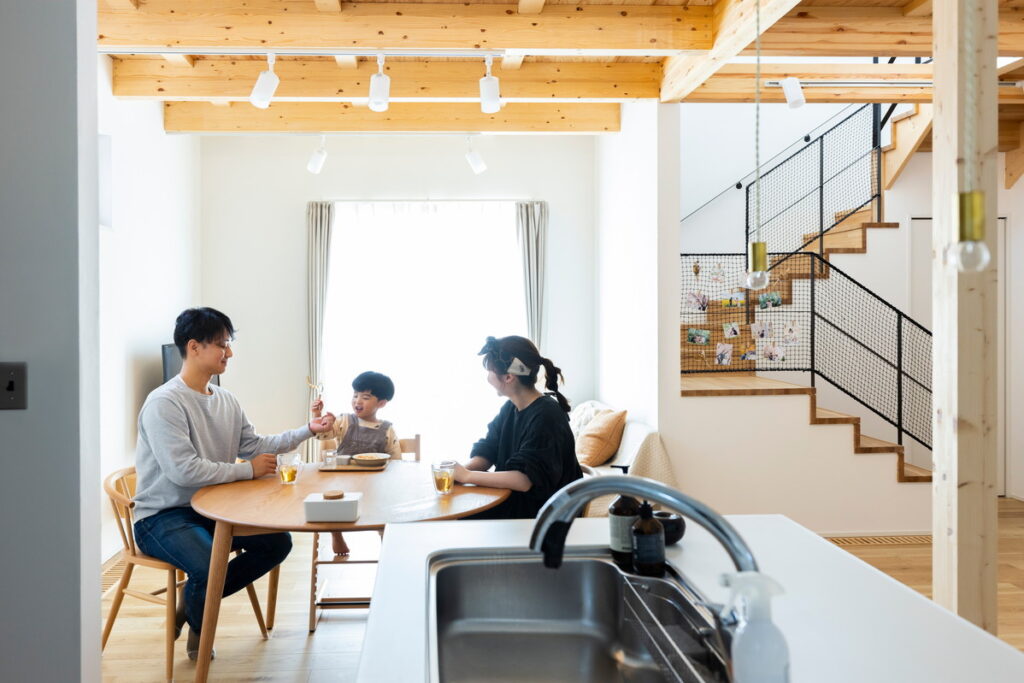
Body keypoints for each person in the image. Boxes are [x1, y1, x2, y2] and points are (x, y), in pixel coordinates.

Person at [132, 307, 335, 660]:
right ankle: (200, 627)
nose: (230, 352)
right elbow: (184, 472)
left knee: (277, 543)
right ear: (194, 347)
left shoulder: (226, 400)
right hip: (163, 516)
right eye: (222, 344)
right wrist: (247, 471)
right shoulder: (164, 403)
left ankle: (191, 601)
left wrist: (308, 430)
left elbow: (255, 446)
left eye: (229, 343)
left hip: (212, 509)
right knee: (207, 565)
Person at [453, 335, 581, 519]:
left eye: (489, 371)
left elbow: (524, 480)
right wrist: (456, 474)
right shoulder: (511, 408)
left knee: (455, 519)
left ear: (508, 377)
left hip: (541, 515)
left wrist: (466, 476)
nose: (488, 377)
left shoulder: (547, 415)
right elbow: (489, 450)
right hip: (515, 502)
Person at [311, 371, 400, 555]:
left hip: (374, 485)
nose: (357, 401)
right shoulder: (344, 420)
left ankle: (386, 539)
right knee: (329, 499)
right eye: (355, 395)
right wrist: (317, 416)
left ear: (381, 403)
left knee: (387, 506)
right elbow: (323, 435)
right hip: (342, 482)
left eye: (365, 397)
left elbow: (396, 460)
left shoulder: (386, 429)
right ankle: (336, 534)